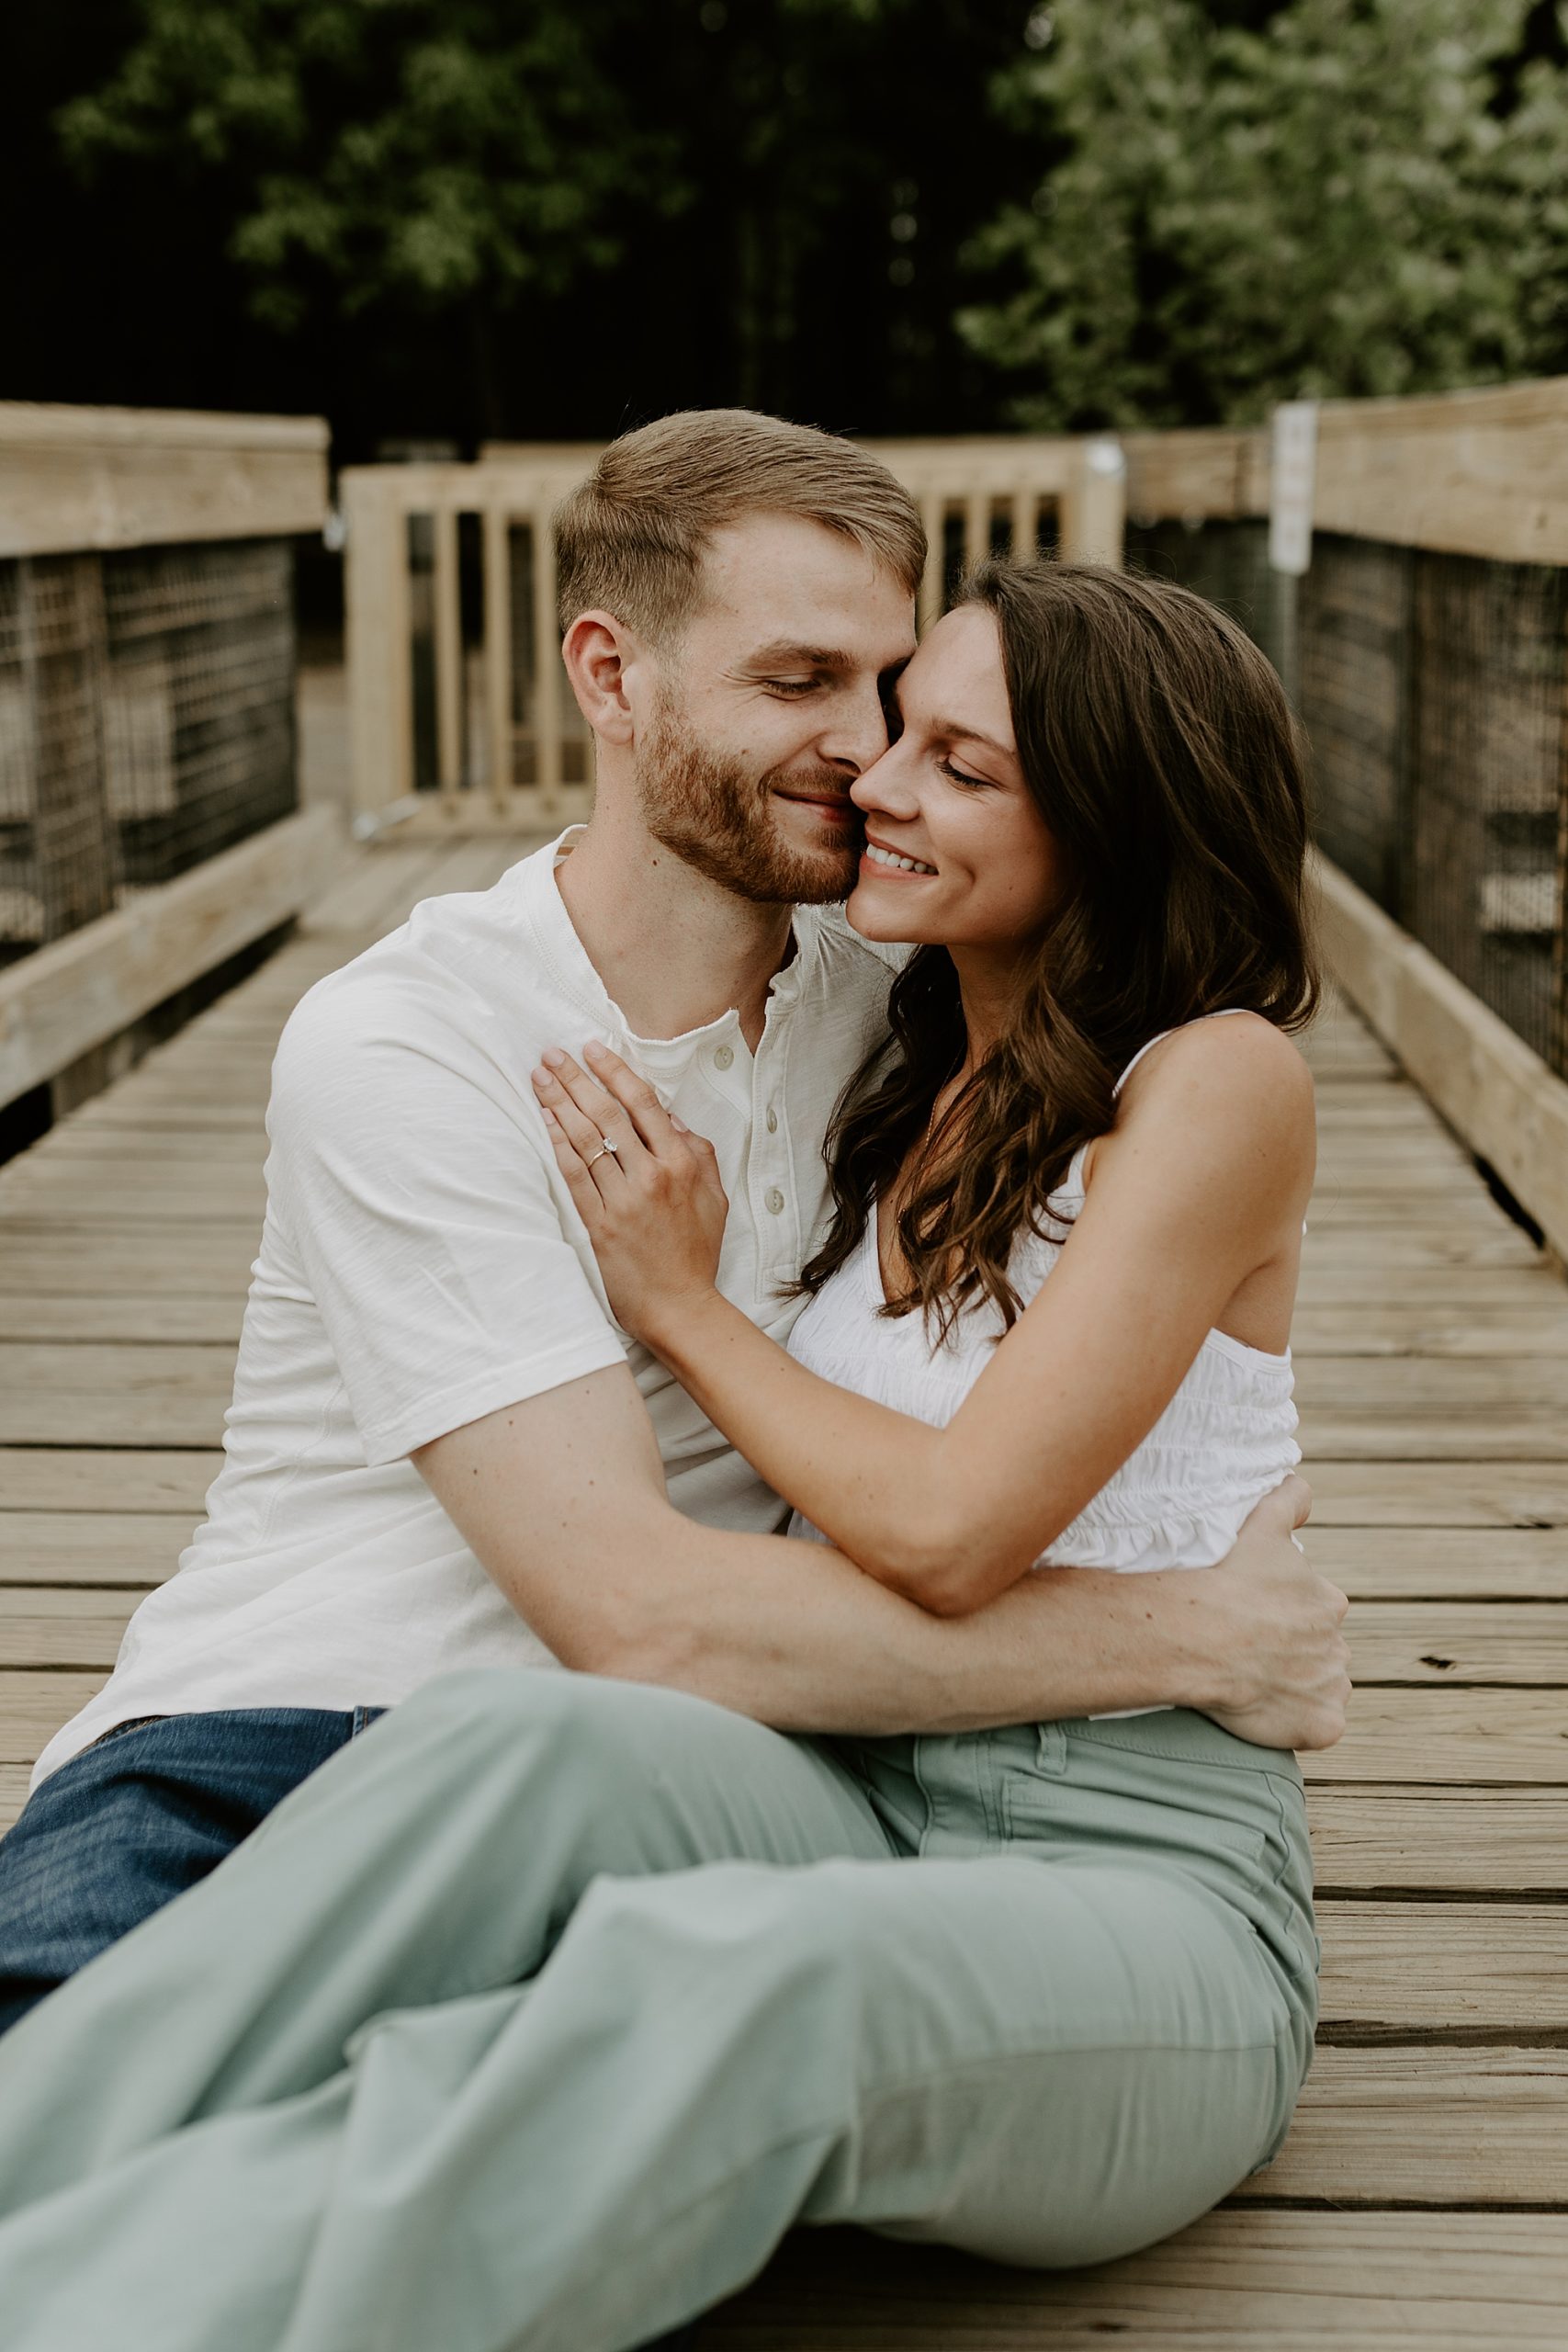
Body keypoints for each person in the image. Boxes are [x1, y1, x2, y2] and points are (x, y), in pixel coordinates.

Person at [0, 557, 1344, 2352]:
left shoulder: (1218, 1078)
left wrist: (683, 1305)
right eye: (896, 730)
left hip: (1128, 1878)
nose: (874, 779)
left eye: (957, 764)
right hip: (852, 1789)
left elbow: (953, 1526)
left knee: (727, 1978)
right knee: (509, 1741)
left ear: (1112, 821)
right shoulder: (902, 1046)